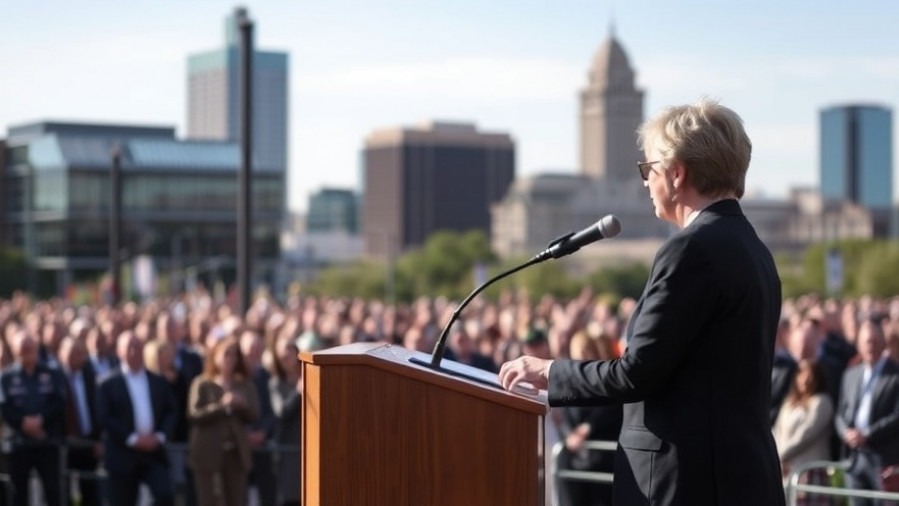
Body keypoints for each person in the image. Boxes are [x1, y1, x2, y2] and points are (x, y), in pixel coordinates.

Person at [499, 98, 785, 506]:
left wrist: (549, 371)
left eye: (648, 169)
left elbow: (637, 373)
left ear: (676, 173)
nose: (645, 182)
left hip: (687, 484)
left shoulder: (691, 250)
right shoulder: (754, 248)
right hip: (741, 477)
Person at [96, 330, 177, 506]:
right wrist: (132, 439)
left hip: (153, 452)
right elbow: (105, 417)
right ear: (119, 352)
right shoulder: (107, 383)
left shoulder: (157, 381)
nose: (134, 351)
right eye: (129, 347)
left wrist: (159, 436)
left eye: (138, 346)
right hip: (122, 454)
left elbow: (171, 411)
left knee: (165, 495)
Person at [187, 336, 259, 506]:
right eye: (226, 354)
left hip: (235, 452)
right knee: (210, 498)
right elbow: (193, 414)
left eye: (234, 355)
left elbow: (255, 413)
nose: (230, 359)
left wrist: (241, 404)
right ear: (216, 356)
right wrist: (220, 405)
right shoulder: (202, 383)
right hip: (208, 452)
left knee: (236, 499)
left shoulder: (244, 385)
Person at [835, 318, 899, 506]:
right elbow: (840, 412)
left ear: (883, 343)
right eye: (865, 342)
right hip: (854, 460)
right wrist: (846, 433)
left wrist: (867, 434)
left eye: (873, 341)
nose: (869, 346)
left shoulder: (895, 375)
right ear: (858, 345)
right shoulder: (850, 374)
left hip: (883, 461)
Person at [0, 329, 67, 506]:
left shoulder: (52, 373)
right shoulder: (5, 377)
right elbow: (5, 407)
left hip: (46, 442)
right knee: (18, 494)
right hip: (18, 445)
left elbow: (59, 402)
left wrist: (41, 421)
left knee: (53, 492)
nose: (26, 352)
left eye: (30, 348)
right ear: (14, 350)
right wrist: (24, 423)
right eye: (22, 349)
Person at [772, 359, 833, 505]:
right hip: (786, 471)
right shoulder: (788, 403)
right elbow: (777, 430)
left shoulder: (822, 402)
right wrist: (776, 458)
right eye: (801, 375)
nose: (805, 380)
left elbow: (805, 434)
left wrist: (781, 455)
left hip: (808, 472)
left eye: (810, 376)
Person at [58, 336, 103, 506]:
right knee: (65, 492)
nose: (76, 356)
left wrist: (98, 439)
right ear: (61, 353)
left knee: (90, 492)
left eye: (80, 352)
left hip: (88, 442)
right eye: (71, 352)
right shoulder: (55, 377)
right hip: (65, 443)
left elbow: (98, 411)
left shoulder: (91, 377)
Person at [268, 333, 302, 506]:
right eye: (283, 352)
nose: (288, 356)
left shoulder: (308, 375)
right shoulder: (276, 383)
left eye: (291, 349)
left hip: (306, 447)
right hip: (287, 451)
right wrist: (297, 392)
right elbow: (281, 411)